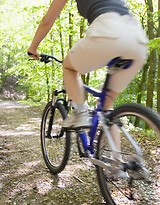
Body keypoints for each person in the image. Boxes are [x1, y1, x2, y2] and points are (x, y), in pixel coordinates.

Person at [28, 0, 148, 130]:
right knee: (107, 112)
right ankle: (115, 150)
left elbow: (47, 21)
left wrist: (33, 49)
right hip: (138, 40)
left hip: (109, 31)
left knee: (68, 67)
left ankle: (80, 112)